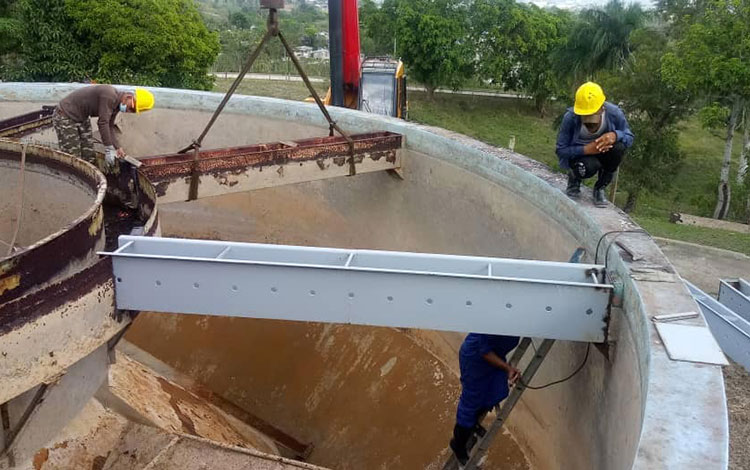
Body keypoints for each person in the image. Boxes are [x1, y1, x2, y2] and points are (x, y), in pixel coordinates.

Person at [556, 82, 634, 207]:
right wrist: (587, 149)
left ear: (602, 108)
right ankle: (574, 179)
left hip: (604, 152)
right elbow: (561, 150)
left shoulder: (614, 113)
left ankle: (600, 188)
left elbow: (629, 137)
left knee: (619, 148)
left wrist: (615, 135)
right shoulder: (570, 118)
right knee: (589, 167)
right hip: (581, 156)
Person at [450, 333, 521, 466]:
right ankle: (458, 445)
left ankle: (472, 424)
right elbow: (484, 350)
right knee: (470, 405)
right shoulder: (492, 319)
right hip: (475, 359)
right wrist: (507, 368)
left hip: (494, 356)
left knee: (496, 392)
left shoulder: (517, 318)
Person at [53, 85, 154, 167]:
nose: (128, 111)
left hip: (82, 118)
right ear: (128, 97)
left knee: (89, 155)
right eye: (131, 108)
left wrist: (117, 147)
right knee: (73, 158)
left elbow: (109, 125)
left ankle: (92, 183)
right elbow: (103, 123)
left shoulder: (116, 105)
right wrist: (109, 148)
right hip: (65, 115)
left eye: (132, 111)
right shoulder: (109, 95)